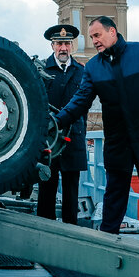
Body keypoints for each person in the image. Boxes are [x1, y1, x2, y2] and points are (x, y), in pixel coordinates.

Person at [54, 16, 139, 246]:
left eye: (97, 35)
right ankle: (107, 245)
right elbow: (80, 101)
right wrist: (56, 122)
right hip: (118, 142)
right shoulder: (93, 68)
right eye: (91, 37)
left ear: (112, 32)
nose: (94, 41)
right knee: (114, 196)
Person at [37, 24, 88, 225]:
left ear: (72, 45)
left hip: (73, 138)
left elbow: (85, 103)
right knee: (46, 191)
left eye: (67, 43)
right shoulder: (42, 70)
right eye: (59, 44)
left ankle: (71, 236)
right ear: (52, 46)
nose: (63, 48)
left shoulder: (81, 72)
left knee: (71, 193)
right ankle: (44, 235)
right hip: (48, 140)